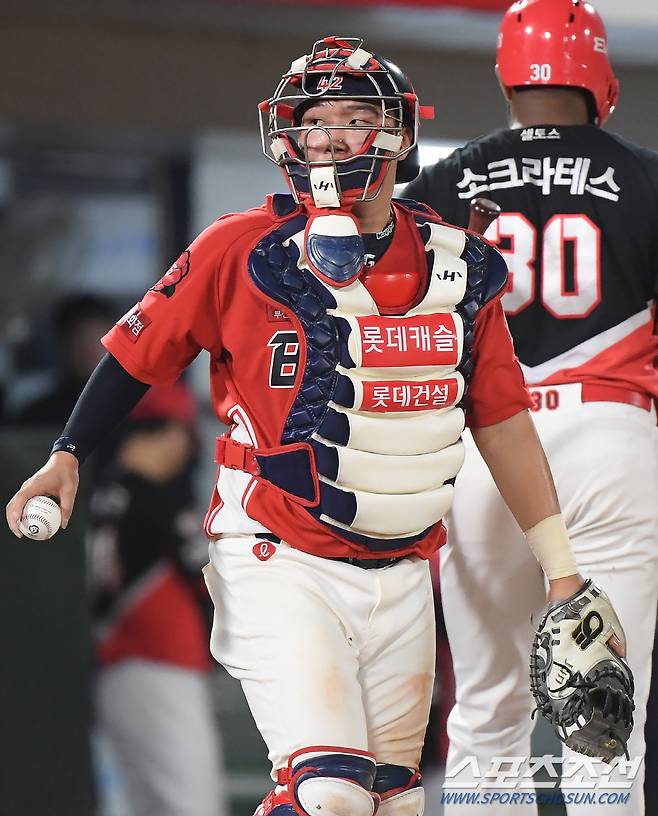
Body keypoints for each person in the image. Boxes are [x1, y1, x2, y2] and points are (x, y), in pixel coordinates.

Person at [6, 36, 626, 816]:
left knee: (391, 802)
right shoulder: (238, 248)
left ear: (398, 132)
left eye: (354, 115)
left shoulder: (456, 264)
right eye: (313, 119)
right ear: (285, 138)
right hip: (279, 554)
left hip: (403, 571)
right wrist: (68, 454)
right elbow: (139, 355)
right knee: (326, 794)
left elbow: (502, 420)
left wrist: (561, 569)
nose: (329, 135)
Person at [405, 2, 658, 814]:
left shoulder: (441, 184)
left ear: (507, 77)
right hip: (606, 437)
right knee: (604, 719)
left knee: (483, 716)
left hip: (482, 451)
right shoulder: (648, 175)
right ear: (600, 77)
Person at [87, 381, 227, 816]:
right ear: (169, 432)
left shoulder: (101, 491)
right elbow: (210, 581)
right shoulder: (156, 497)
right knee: (194, 806)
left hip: (118, 669)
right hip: (158, 665)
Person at [16, 293, 115, 426]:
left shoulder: (134, 408)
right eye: (80, 339)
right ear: (63, 345)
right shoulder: (40, 416)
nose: (88, 348)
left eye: (95, 337)